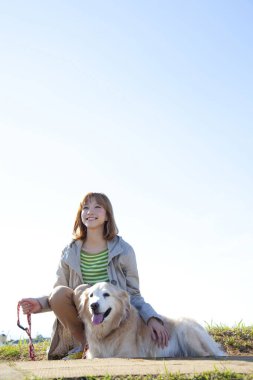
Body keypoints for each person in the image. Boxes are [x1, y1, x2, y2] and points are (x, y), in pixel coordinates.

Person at [19, 192, 169, 359]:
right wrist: (39, 304)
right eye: (85, 207)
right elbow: (58, 294)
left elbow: (133, 294)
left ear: (107, 216)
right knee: (67, 292)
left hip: (115, 324)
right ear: (80, 215)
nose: (90, 211)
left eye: (97, 207)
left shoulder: (124, 250)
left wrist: (152, 318)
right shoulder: (69, 252)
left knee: (83, 290)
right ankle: (85, 346)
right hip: (82, 321)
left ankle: (99, 347)